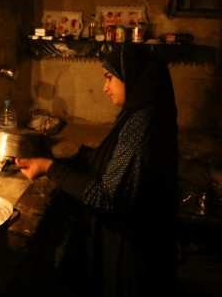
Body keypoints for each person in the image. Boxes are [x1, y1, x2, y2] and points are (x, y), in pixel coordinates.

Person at [15, 42, 179, 296]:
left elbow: (105, 196)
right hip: (133, 239)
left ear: (131, 75)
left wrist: (51, 167)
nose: (105, 87)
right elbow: (113, 163)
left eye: (110, 78)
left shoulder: (141, 124)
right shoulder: (139, 114)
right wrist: (68, 161)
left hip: (132, 248)